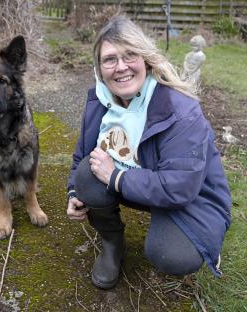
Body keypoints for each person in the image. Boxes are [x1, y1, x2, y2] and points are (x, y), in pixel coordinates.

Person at [66, 15, 231, 290]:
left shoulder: (180, 111)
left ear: (146, 59)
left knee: (172, 254)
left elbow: (181, 187)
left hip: (190, 197)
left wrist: (117, 177)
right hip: (137, 181)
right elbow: (82, 154)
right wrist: (74, 192)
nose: (120, 68)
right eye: (109, 59)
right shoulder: (100, 99)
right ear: (99, 67)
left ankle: (190, 233)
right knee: (87, 174)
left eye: (130, 55)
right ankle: (112, 244)